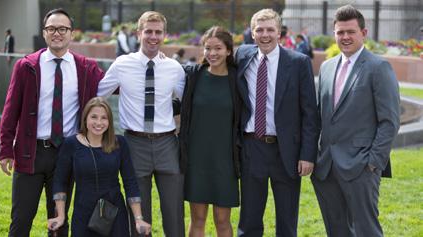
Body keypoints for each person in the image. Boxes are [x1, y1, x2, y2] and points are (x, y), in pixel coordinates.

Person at [0, 8, 104, 237]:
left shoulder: (86, 67)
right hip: (30, 153)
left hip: (66, 154)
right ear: (44, 33)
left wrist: (151, 59)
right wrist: (6, 148)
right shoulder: (26, 66)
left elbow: (117, 84)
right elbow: (10, 109)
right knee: (21, 219)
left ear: (71, 34)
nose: (57, 33)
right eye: (52, 28)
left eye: (63, 29)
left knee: (59, 221)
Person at [311, 5, 400, 237]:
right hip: (327, 167)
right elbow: (321, 116)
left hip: (361, 167)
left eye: (351, 31)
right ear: (334, 34)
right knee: (336, 231)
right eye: (340, 32)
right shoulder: (327, 67)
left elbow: (389, 121)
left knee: (366, 231)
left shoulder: (378, 67)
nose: (345, 37)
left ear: (364, 33)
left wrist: (372, 163)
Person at [97, 11, 186, 237]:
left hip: (168, 143)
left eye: (158, 32)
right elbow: (98, 96)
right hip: (134, 144)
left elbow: (191, 104)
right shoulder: (121, 64)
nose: (153, 37)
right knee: (137, 213)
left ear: (164, 35)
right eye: (148, 31)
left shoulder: (174, 68)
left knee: (174, 211)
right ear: (139, 34)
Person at [235, 9, 319, 237]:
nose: (265, 35)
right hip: (253, 148)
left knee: (287, 220)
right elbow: (212, 60)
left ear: (279, 32)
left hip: (287, 152)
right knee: (249, 220)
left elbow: (310, 113)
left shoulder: (298, 62)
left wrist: (307, 154)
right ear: (252, 34)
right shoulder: (242, 57)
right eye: (259, 30)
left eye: (270, 29)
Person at [47, 97, 152, 236]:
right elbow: (60, 181)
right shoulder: (71, 144)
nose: (99, 122)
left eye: (104, 118)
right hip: (84, 212)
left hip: (114, 212)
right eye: (94, 117)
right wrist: (60, 215)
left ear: (109, 121)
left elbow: (130, 182)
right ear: (85, 119)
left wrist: (138, 219)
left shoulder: (119, 143)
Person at [179, 26, 240, 237]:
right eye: (207, 48)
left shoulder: (237, 79)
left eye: (218, 48)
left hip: (226, 161)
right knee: (197, 219)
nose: (212, 53)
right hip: (196, 159)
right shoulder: (193, 76)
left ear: (229, 51)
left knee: (223, 220)